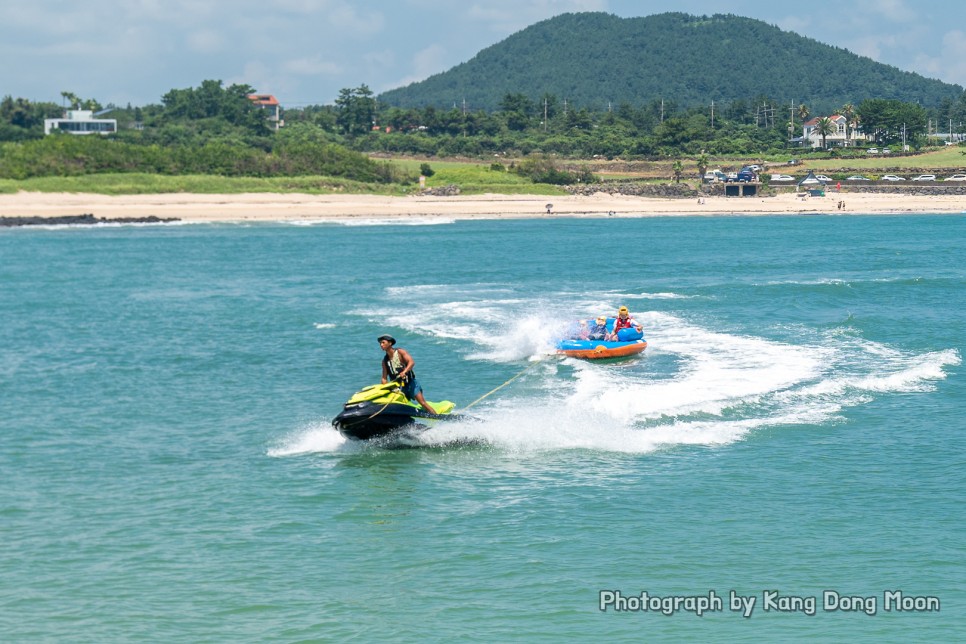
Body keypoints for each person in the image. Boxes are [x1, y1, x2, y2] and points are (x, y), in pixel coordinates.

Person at [378, 335, 437, 414]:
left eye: (383, 342)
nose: (381, 345)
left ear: (390, 343)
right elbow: (384, 378)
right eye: (380, 343)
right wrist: (384, 388)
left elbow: (411, 362)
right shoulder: (385, 361)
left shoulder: (400, 352)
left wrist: (405, 371)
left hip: (411, 384)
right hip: (399, 388)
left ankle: (437, 418)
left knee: (423, 403)